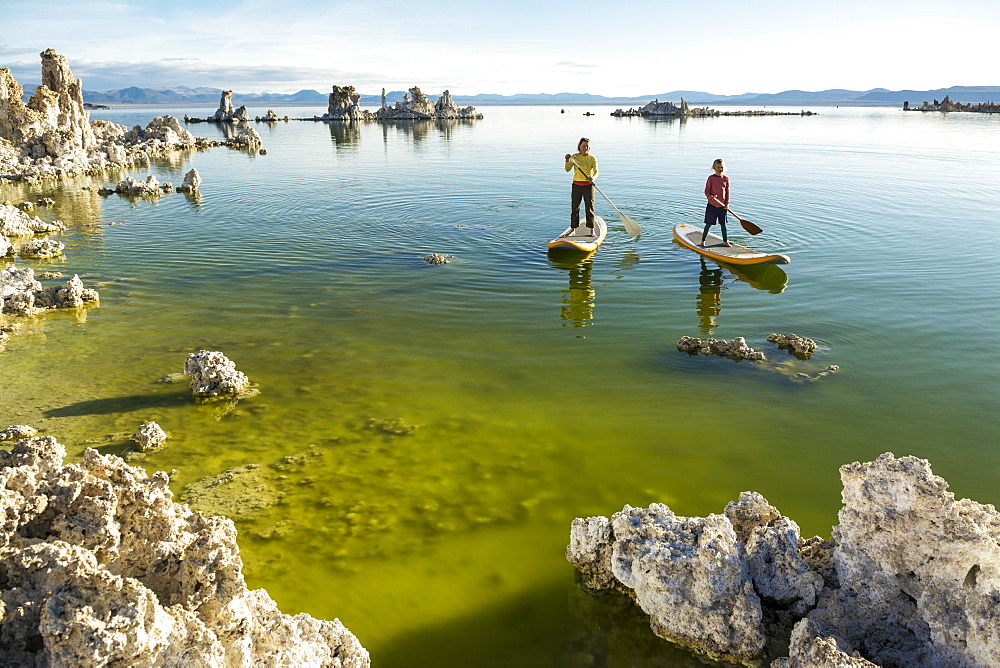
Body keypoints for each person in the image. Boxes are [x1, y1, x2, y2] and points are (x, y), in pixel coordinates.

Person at [562, 138, 598, 236]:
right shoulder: (574, 157)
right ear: (579, 147)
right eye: (583, 146)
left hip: (588, 186)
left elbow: (596, 171)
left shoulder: (592, 158)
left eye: (587, 146)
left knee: (589, 208)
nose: (585, 148)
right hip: (576, 185)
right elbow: (567, 169)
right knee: (575, 207)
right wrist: (567, 160)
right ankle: (573, 229)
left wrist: (593, 178)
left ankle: (592, 230)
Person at [701, 158, 732, 247]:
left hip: (722, 206)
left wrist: (727, 203)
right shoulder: (711, 178)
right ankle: (703, 241)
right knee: (708, 224)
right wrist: (709, 196)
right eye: (718, 167)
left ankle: (725, 241)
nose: (720, 169)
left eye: (721, 167)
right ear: (714, 168)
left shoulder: (725, 179)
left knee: (723, 224)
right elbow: (707, 190)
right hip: (712, 205)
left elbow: (727, 192)